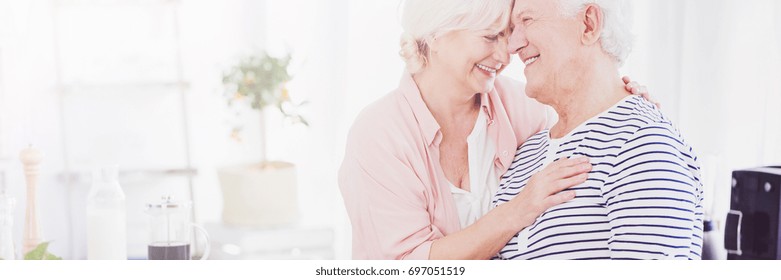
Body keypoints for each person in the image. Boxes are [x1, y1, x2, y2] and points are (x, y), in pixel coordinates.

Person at [338, 0, 646, 260]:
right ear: (436, 35)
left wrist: (623, 99)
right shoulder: (379, 135)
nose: (505, 55)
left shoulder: (520, 107)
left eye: (508, 35)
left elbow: (581, 120)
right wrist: (518, 209)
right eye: (489, 37)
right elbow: (409, 265)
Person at [493, 0, 703, 260]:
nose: (513, 45)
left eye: (527, 21)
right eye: (513, 28)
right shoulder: (525, 154)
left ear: (588, 24)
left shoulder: (644, 148)